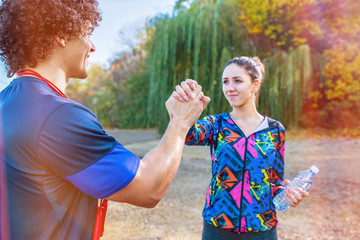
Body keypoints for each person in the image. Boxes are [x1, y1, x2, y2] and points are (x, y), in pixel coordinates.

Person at [0, 0, 211, 239]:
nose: (92, 46)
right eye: (88, 33)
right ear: (61, 34)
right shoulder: (57, 115)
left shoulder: (6, 102)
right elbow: (149, 187)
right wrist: (180, 123)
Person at [172, 56, 309, 240]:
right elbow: (187, 135)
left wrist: (288, 194)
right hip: (217, 228)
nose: (230, 87)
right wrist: (185, 109)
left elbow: (275, 181)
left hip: (262, 229)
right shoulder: (217, 124)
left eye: (238, 81)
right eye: (225, 81)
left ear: (255, 85)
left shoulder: (275, 130)